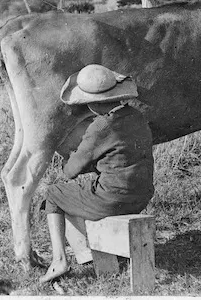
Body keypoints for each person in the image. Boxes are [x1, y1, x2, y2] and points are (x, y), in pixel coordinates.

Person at [39, 64, 155, 283]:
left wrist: (71, 155)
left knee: (55, 193)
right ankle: (88, 254)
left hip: (113, 199)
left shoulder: (100, 126)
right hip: (141, 195)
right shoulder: (136, 116)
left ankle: (59, 260)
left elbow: (70, 171)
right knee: (76, 193)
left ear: (91, 104)